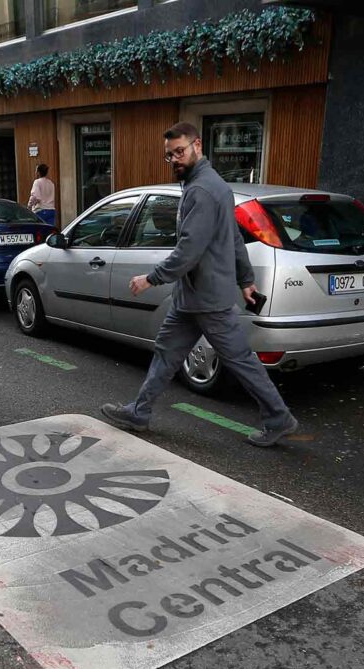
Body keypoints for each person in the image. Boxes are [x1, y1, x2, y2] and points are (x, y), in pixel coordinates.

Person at [100, 122, 298, 447]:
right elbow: (233, 238)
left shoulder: (203, 191)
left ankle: (278, 417)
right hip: (192, 298)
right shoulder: (209, 185)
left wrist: (151, 278)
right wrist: (246, 280)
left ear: (197, 146)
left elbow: (189, 249)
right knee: (167, 353)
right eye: (169, 155)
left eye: (180, 151)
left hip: (207, 299)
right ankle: (139, 411)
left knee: (240, 359)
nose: (175, 159)